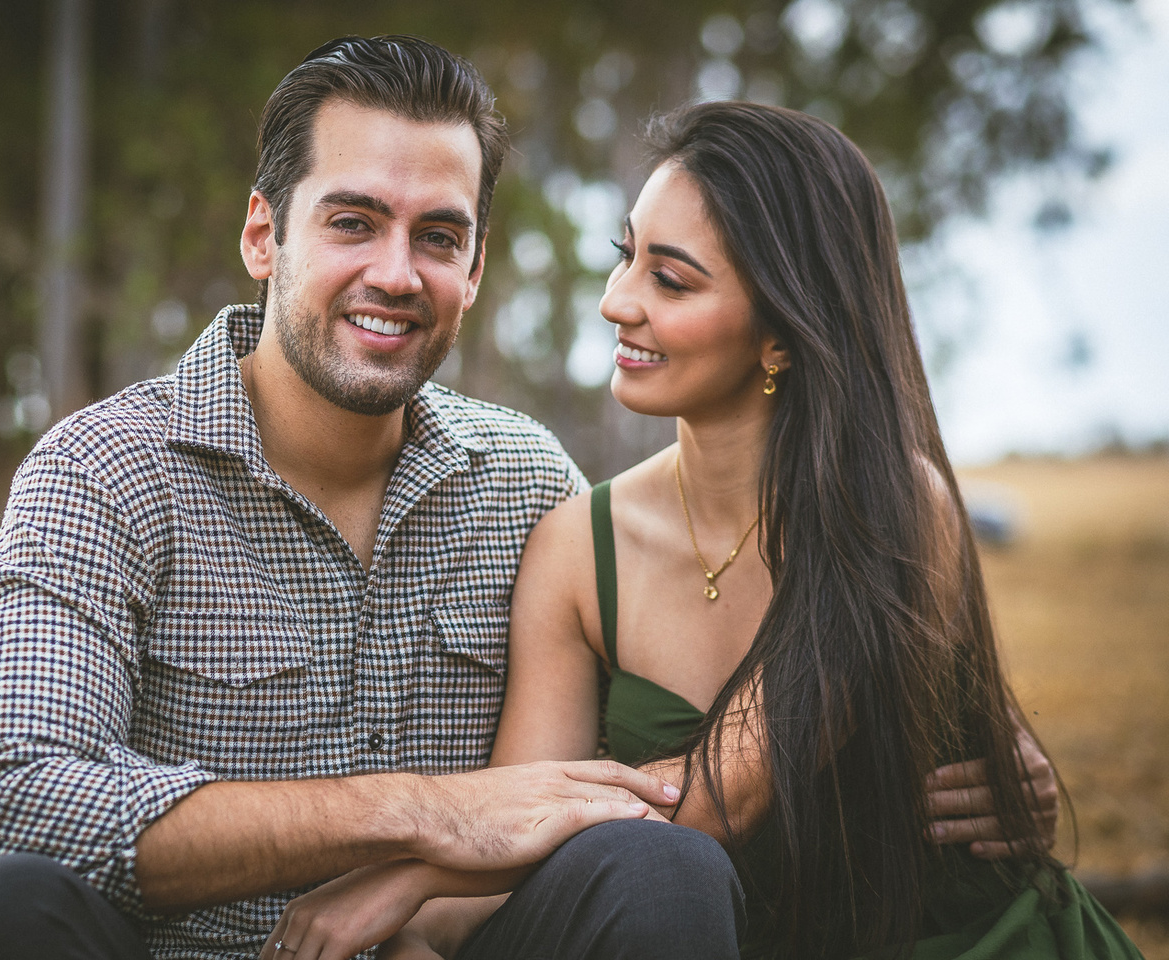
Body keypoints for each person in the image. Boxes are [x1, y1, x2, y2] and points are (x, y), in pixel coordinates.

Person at [0, 40, 1060, 960]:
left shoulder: (527, 485)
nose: (398, 273)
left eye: (440, 236)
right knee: (2, 916)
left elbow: (672, 770)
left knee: (660, 873)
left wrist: (968, 732)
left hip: (453, 947)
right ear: (265, 235)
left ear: (475, 268)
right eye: (353, 221)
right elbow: (5, 796)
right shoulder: (102, 472)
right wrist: (419, 812)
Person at [263, 102, 1139, 960]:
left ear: (785, 335)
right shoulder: (579, 546)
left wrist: (417, 869)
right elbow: (505, 862)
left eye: (670, 280)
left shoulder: (891, 511)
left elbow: (721, 797)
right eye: (627, 256)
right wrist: (412, 929)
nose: (616, 302)